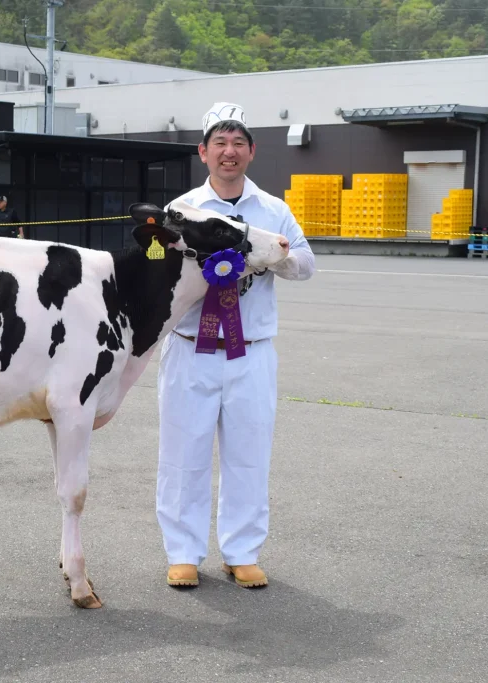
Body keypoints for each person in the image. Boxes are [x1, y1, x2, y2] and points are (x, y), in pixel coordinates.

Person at [156, 101, 316, 590]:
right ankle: (183, 553)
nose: (230, 152)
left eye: (238, 143)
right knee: (184, 452)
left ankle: (242, 552)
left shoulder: (274, 210)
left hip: (252, 350)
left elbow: (307, 265)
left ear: (251, 151)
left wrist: (274, 258)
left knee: (249, 453)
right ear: (203, 152)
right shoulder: (181, 210)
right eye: (220, 143)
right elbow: (156, 269)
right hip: (190, 348)